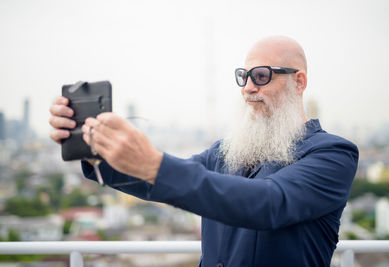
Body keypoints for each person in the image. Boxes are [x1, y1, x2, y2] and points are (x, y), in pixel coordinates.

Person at [49, 36, 359, 267]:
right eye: (244, 76)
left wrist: (155, 164)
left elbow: (269, 203)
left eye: (262, 76)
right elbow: (156, 181)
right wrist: (93, 150)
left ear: (299, 81)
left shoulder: (332, 154)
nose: (248, 87)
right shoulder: (227, 152)